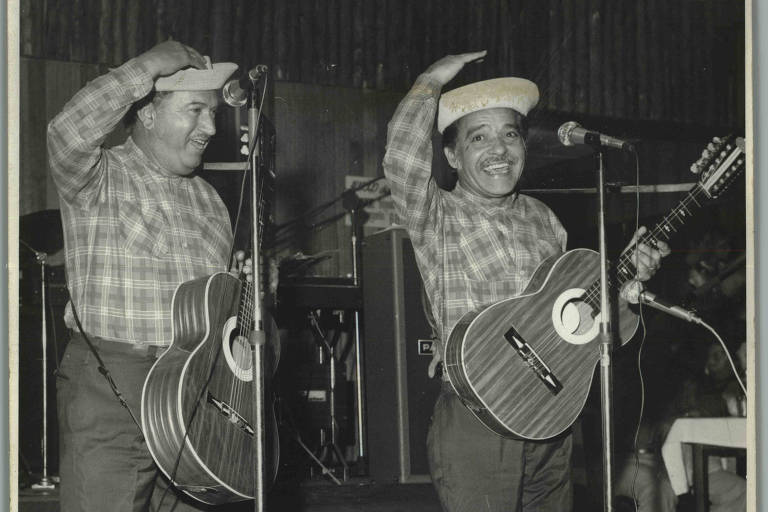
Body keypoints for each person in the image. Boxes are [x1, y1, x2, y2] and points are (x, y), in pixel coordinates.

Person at [382, 51, 670, 511]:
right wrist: (431, 80)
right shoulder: (437, 215)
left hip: (553, 420)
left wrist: (627, 290)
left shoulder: (546, 221)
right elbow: (400, 160)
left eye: (510, 135)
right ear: (453, 156)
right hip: (481, 419)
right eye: (479, 138)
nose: (499, 150)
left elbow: (586, 332)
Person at [48, 41, 242, 511]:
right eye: (195, 110)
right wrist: (149, 66)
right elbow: (67, 131)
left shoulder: (210, 202)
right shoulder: (99, 175)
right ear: (149, 115)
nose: (211, 128)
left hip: (196, 391)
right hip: (115, 384)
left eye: (214, 113)